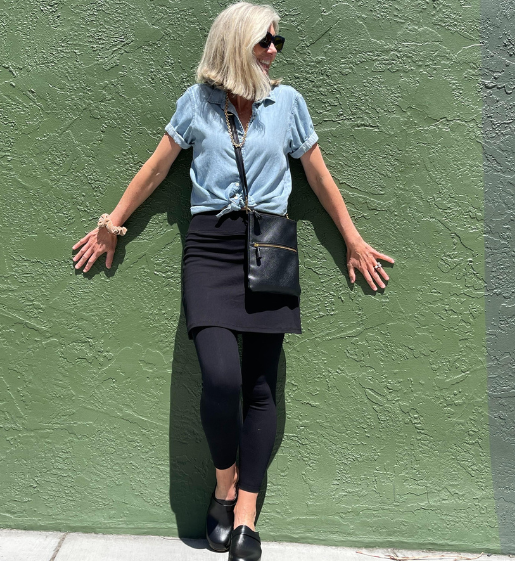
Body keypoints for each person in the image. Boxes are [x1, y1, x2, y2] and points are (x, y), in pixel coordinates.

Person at [72, 3, 394, 559]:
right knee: (220, 378)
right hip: (211, 247)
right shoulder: (197, 105)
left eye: (277, 42)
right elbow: (155, 169)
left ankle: (245, 510)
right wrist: (112, 225)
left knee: (261, 386)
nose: (273, 51)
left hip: (269, 246)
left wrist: (352, 238)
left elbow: (317, 173)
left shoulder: (287, 104)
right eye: (263, 41)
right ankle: (224, 483)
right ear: (234, 45)